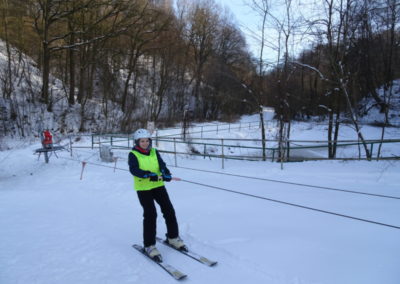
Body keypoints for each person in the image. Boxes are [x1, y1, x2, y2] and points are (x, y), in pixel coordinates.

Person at [128, 128, 187, 262]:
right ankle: (149, 245)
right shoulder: (133, 154)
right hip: (143, 188)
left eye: (147, 140)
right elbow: (134, 170)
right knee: (150, 214)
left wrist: (166, 173)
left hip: (158, 186)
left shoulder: (154, 151)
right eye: (142, 141)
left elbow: (161, 165)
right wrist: (148, 174)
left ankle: (173, 237)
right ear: (137, 142)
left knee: (169, 210)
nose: (145, 143)